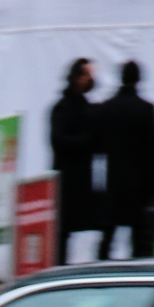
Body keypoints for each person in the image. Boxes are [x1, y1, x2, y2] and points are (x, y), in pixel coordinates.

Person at [97, 61, 154, 260]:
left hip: (112, 179)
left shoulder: (107, 108)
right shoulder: (146, 109)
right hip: (138, 181)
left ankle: (99, 272)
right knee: (139, 237)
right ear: (139, 79)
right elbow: (153, 150)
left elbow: (98, 145)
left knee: (107, 235)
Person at [49, 59, 101, 264]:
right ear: (78, 78)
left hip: (80, 176)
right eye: (89, 75)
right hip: (67, 178)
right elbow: (59, 140)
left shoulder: (84, 106)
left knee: (69, 229)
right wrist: (89, 141)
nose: (92, 80)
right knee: (62, 229)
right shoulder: (63, 108)